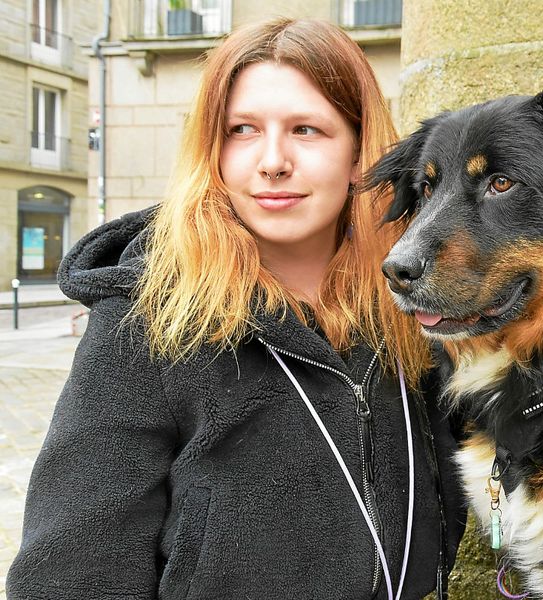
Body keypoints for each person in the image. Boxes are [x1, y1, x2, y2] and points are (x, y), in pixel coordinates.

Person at [7, 18, 464, 600]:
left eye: (306, 130)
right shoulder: (147, 320)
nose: (272, 161)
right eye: (242, 130)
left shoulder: (408, 308)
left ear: (358, 155)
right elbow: (68, 575)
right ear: (213, 152)